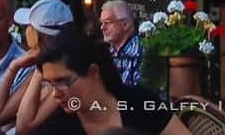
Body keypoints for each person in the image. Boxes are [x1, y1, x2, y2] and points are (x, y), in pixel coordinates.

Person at [31, 25, 193, 135]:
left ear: (93, 72)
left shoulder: (140, 104)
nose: (55, 94)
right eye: (50, 84)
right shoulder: (57, 128)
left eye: (63, 82)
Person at [0, 0, 75, 129]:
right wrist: (13, 68)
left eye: (28, 27)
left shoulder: (65, 74)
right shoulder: (37, 69)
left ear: (37, 35)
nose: (25, 32)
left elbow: (23, 128)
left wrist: (40, 67)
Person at [100, 0, 142, 86]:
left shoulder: (140, 51)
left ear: (125, 24)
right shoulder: (106, 53)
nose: (102, 27)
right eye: (102, 23)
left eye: (107, 22)